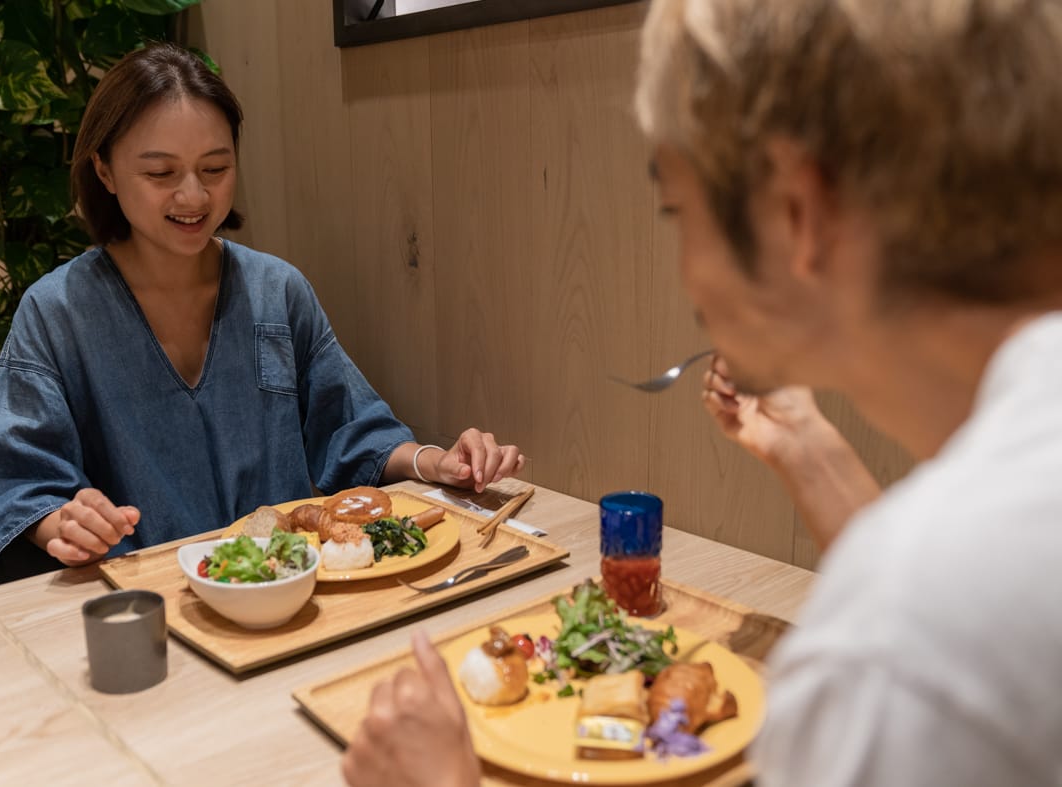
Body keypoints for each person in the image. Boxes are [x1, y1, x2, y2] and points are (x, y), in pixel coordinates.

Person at [342, 1, 1062, 785]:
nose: (685, 270)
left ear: (797, 212)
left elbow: (921, 614)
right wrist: (807, 449)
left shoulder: (897, 648)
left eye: (677, 211)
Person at [0, 44, 523, 584]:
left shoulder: (276, 290)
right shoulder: (57, 311)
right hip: (145, 600)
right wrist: (64, 524)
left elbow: (351, 432)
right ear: (104, 171)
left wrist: (436, 462)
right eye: (160, 174)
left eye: (215, 168)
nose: (193, 197)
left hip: (290, 590)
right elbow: (15, 484)